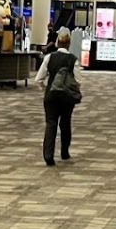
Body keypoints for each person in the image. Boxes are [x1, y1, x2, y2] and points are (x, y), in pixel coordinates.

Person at [35, 28, 79, 166]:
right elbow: (79, 80)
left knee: (51, 123)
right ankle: (64, 151)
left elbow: (38, 79)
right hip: (67, 96)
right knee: (65, 123)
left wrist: (45, 88)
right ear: (69, 43)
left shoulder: (49, 57)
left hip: (51, 95)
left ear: (57, 43)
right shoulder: (73, 60)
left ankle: (48, 155)